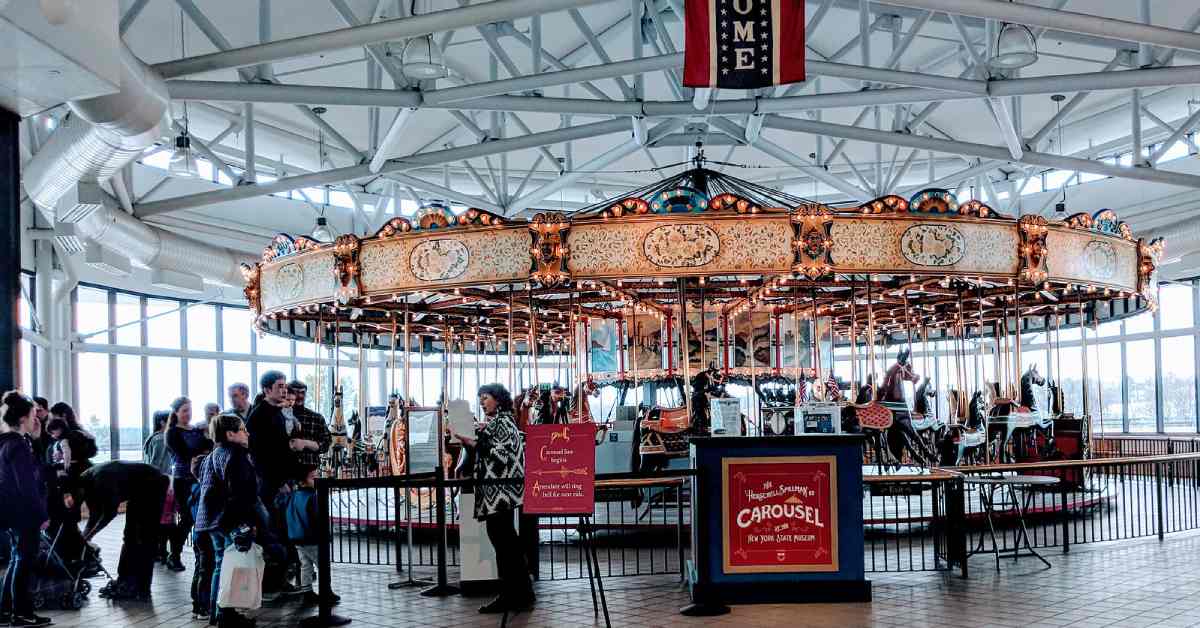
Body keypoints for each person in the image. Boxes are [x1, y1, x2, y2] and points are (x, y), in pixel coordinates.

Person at [449, 383, 534, 614]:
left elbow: (502, 456)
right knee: (508, 544)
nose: (482, 402)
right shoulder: (502, 422)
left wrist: (474, 442)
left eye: (485, 397)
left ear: (498, 399)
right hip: (501, 493)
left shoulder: (503, 423)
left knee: (504, 545)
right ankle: (521, 592)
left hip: (500, 494)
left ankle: (510, 594)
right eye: (480, 398)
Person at [195, 414, 264, 628]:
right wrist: (246, 523)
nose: (247, 433)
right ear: (230, 434)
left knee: (220, 565)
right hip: (228, 519)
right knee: (229, 567)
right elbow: (242, 493)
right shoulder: (236, 455)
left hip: (211, 518)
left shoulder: (214, 454)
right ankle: (226, 614)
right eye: (243, 429)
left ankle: (219, 613)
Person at [63, 460, 168, 602]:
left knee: (145, 537)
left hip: (153, 485)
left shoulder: (101, 481)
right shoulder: (86, 484)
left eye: (77, 499)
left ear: (79, 490)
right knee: (129, 536)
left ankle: (142, 588)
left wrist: (88, 536)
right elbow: (95, 516)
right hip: (137, 489)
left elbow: (109, 514)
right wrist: (84, 537)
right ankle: (124, 582)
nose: (78, 502)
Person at [245, 371, 300, 601]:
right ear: (267, 390)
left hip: (279, 481)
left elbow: (280, 450)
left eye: (285, 385)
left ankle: (278, 580)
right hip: (270, 484)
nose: (284, 389)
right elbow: (262, 455)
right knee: (273, 533)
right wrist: (278, 483)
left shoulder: (275, 413)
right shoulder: (260, 416)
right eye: (279, 386)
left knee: (280, 532)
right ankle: (269, 584)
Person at [0, 391, 53, 627]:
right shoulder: (19, 445)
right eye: (33, 414)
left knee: (16, 559)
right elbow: (28, 485)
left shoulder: (6, 441)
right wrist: (41, 515)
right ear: (22, 418)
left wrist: (38, 437)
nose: (37, 419)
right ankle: (22, 614)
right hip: (24, 513)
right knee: (24, 562)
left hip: (10, 512)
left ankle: (7, 611)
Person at [276, 465, 340, 607]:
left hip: (297, 537)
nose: (316, 478)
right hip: (311, 538)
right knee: (323, 565)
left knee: (305, 565)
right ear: (302, 481)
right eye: (313, 476)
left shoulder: (294, 496)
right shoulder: (312, 497)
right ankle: (326, 591)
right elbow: (317, 519)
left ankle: (307, 592)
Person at [165, 397, 214, 572]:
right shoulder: (173, 433)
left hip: (199, 478)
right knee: (186, 518)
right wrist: (202, 450)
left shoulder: (197, 430)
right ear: (177, 413)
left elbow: (210, 446)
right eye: (184, 410)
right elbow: (186, 453)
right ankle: (175, 555)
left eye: (190, 410)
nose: (188, 414)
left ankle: (199, 553)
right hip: (182, 480)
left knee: (200, 516)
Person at [143, 410, 174, 563]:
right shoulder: (162, 439)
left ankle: (156, 549)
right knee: (164, 519)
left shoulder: (152, 438)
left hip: (153, 483)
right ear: (163, 422)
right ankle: (160, 550)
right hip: (161, 482)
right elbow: (157, 464)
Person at [287, 381, 330, 468]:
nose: (300, 396)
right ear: (288, 394)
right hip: (286, 469)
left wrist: (306, 443)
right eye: (296, 392)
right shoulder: (280, 416)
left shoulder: (317, 418)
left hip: (311, 471)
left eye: (303, 392)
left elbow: (326, 443)